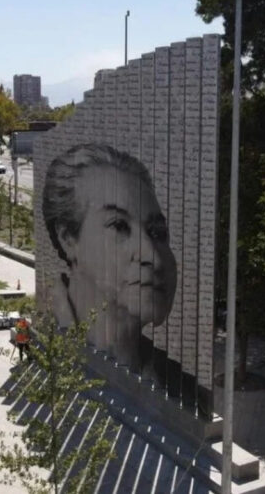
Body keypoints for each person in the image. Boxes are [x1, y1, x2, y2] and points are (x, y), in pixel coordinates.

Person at [42, 143, 177, 372]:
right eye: (119, 225)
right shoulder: (52, 357)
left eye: (158, 233)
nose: (151, 255)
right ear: (68, 239)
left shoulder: (176, 386)